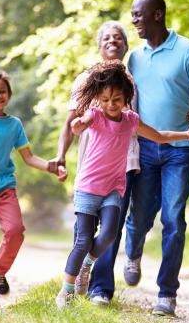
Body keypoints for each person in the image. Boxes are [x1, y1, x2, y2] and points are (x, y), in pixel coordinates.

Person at [54, 60, 189, 309]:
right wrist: (78, 124)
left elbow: (160, 136)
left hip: (112, 189)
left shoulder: (130, 120)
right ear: (98, 98)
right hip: (88, 187)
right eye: (106, 99)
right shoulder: (95, 115)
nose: (111, 104)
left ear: (127, 98)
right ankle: (65, 291)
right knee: (83, 239)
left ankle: (87, 265)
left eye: (117, 99)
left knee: (109, 233)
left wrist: (187, 134)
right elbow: (79, 125)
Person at [124, 0, 189, 317]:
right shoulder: (133, 58)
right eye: (132, 15)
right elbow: (125, 103)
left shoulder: (188, 50)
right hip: (146, 148)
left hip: (180, 148)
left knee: (173, 219)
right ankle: (132, 253)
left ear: (157, 15)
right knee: (140, 216)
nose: (134, 20)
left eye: (138, 15)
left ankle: (167, 294)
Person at [0, 70, 66, 309]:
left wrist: (52, 166)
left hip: (4, 186)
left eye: (2, 91)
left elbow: (28, 157)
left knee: (15, 230)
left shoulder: (14, 124)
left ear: (9, 95)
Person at [51, 21, 136, 306]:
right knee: (84, 237)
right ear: (99, 46)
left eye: (118, 37)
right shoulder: (85, 81)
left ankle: (100, 287)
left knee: (112, 230)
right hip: (92, 171)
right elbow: (73, 123)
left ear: (125, 45)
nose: (113, 41)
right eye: (107, 38)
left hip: (124, 167)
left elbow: (142, 126)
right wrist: (62, 155)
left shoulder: (131, 80)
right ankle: (70, 289)